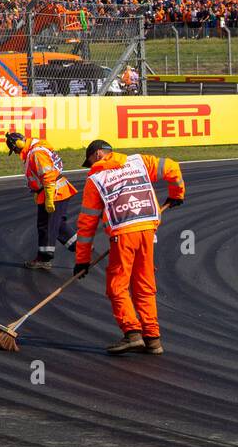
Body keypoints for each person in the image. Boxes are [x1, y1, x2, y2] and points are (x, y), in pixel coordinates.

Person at [72, 139, 185, 355]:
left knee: (117, 286)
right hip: (148, 231)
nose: (90, 167)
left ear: (97, 155)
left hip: (123, 235)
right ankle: (153, 339)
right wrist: (176, 194)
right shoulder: (139, 162)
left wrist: (82, 260)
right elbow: (173, 168)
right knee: (144, 286)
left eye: (89, 161)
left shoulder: (95, 179)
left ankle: (132, 333)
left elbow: (87, 224)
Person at [5, 131, 77, 271]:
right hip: (54, 191)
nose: (15, 153)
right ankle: (82, 247)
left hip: (54, 193)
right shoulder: (35, 150)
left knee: (47, 226)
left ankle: (44, 259)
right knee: (58, 224)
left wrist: (49, 199)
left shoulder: (36, 153)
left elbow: (48, 175)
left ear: (19, 143)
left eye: (14, 149)